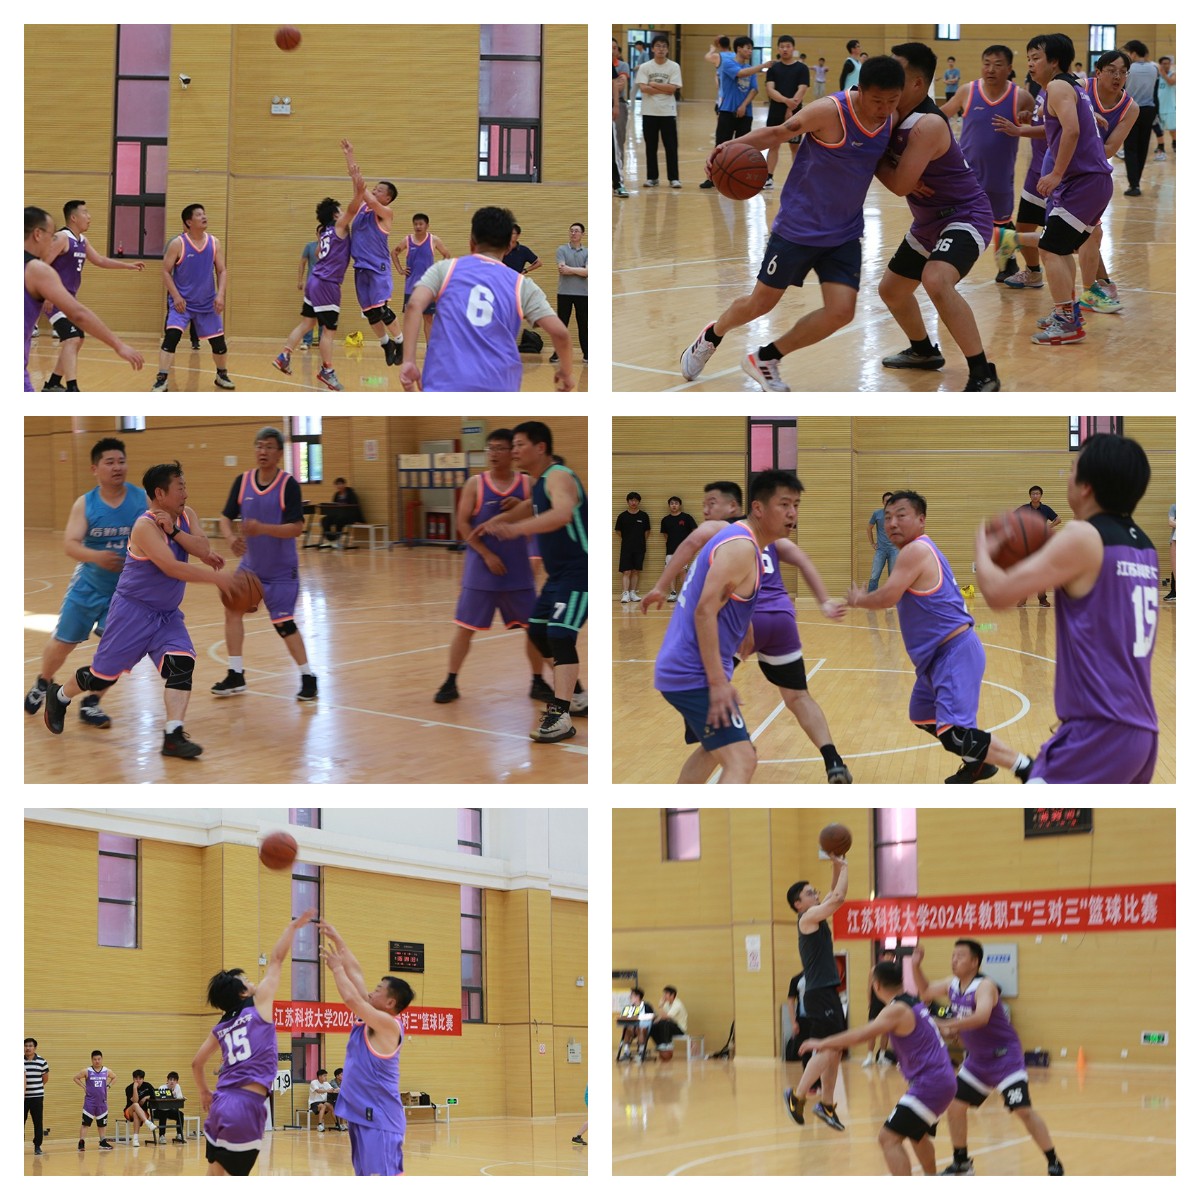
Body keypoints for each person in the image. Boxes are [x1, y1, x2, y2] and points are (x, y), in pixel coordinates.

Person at [681, 56, 905, 391]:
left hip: (844, 232)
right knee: (760, 303)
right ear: (859, 90)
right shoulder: (829, 111)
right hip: (798, 227)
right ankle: (712, 335)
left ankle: (766, 358)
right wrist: (729, 146)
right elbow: (778, 133)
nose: (884, 109)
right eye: (877, 101)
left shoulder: (891, 118)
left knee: (841, 312)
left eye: (892, 101)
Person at [974, 433, 1158, 783]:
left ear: (1086, 486)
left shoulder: (1083, 536)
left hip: (1099, 732)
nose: (1067, 476)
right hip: (1142, 732)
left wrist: (982, 547)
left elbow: (997, 594)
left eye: (1072, 469)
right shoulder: (1145, 546)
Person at [644, 479, 852, 783]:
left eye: (796, 505)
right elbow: (704, 611)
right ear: (757, 508)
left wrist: (747, 626)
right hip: (694, 672)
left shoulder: (741, 540)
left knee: (715, 750)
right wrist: (718, 683)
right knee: (743, 758)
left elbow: (721, 596)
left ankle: (679, 806)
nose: (792, 513)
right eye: (784, 505)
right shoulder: (739, 545)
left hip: (685, 667)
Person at [43, 461, 239, 758]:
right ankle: (59, 696)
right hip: (131, 613)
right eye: (180, 487)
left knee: (181, 665)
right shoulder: (144, 526)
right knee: (101, 677)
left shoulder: (187, 515)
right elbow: (172, 568)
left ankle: (173, 735)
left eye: (185, 486)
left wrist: (177, 532)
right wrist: (218, 579)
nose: (185, 493)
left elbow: (201, 546)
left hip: (166, 615)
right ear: (160, 493)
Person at [845, 491, 1032, 783]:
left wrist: (859, 600)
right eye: (888, 517)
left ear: (921, 520)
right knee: (923, 716)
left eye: (901, 516)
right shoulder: (920, 549)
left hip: (953, 653)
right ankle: (978, 764)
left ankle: (1027, 767)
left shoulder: (915, 551)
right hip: (936, 660)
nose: (892, 523)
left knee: (955, 733)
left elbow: (888, 596)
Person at [875, 42, 1002, 392]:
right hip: (929, 221)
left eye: (897, 73)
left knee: (936, 279)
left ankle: (983, 372)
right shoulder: (891, 115)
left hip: (965, 215)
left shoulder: (927, 124)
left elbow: (900, 185)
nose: (888, 78)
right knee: (892, 291)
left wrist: (874, 160)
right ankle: (923, 352)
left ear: (917, 83)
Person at [995, 34, 1114, 347]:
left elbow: (1072, 130)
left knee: (1049, 249)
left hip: (1084, 182)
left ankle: (1067, 322)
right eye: (1029, 58)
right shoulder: (1069, 85)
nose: (1030, 64)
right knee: (1058, 249)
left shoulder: (1058, 87)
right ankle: (1067, 312)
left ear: (1054, 61)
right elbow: (1064, 127)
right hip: (1089, 183)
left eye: (1036, 58)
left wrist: (1057, 173)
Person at [910, 940, 1063, 1175]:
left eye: (960, 956)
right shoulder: (952, 984)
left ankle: (1053, 1160)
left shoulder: (985, 986)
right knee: (955, 1106)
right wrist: (915, 966)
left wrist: (947, 1024)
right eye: (953, 956)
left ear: (974, 962)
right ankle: (961, 1162)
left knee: (1023, 1110)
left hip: (1005, 1059)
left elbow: (981, 1017)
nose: (954, 960)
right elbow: (926, 991)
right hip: (978, 1062)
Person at [476, 422, 588, 743]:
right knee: (538, 631)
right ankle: (576, 696)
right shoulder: (540, 483)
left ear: (540, 448)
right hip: (559, 576)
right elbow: (528, 508)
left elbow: (563, 513)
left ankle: (560, 715)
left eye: (519, 445)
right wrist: (494, 523)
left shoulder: (559, 476)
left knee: (560, 635)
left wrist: (516, 530)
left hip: (581, 571)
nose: (513, 451)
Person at [24, 438, 147, 728]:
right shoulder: (86, 503)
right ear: (95, 468)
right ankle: (43, 682)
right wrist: (97, 556)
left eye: (121, 461)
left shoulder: (142, 499)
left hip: (124, 593)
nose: (117, 467)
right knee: (63, 642)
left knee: (117, 650)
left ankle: (92, 703)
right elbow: (70, 544)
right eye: (109, 462)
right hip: (88, 587)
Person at [800, 960, 957, 1176]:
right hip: (941, 1080)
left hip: (931, 1083)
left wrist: (822, 1042)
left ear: (876, 986)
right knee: (917, 1133)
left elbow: (861, 1035)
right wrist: (946, 1029)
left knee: (887, 1138)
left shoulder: (895, 1010)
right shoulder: (912, 1001)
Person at [191, 909, 315, 1175]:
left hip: (220, 1104)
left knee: (214, 1175)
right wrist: (292, 928)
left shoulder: (221, 1026)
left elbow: (196, 1063)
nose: (252, 981)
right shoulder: (259, 1004)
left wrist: (203, 1092)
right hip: (246, 1107)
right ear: (242, 992)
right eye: (246, 980)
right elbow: (277, 959)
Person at [433, 428, 551, 705]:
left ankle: (538, 680)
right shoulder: (475, 484)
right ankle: (450, 681)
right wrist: (486, 554)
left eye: (500, 448)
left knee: (534, 628)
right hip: (481, 571)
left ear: (513, 452)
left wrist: (522, 505)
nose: (494, 454)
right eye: (490, 449)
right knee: (464, 627)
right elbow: (463, 525)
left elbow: (543, 514)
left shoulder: (527, 484)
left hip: (517, 571)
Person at [400, 207, 575, 392]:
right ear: (509, 247)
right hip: (500, 384)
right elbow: (560, 333)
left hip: (443, 381)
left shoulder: (445, 269)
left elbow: (414, 305)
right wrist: (566, 372)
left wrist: (409, 361)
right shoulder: (522, 285)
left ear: (471, 242)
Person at [212, 427, 317, 702]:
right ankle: (236, 674)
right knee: (232, 610)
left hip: (281, 571)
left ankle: (308, 677)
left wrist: (263, 528)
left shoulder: (288, 485)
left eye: (269, 446)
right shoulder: (243, 481)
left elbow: (296, 528)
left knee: (283, 624)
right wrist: (231, 538)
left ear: (279, 453)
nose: (263, 451)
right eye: (259, 446)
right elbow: (225, 518)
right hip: (251, 569)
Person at [318, 920, 415, 1176]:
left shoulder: (389, 1026)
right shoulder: (371, 1014)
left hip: (381, 1118)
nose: (371, 992)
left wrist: (336, 968)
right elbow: (357, 972)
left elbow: (352, 998)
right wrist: (338, 939)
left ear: (390, 1002)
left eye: (378, 990)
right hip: (362, 1115)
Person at [941, 46, 1035, 283]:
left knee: (1001, 223)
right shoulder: (968, 91)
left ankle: (1007, 265)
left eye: (998, 64)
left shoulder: (1021, 97)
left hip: (1000, 174)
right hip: (966, 173)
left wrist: (1028, 118)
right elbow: (942, 115)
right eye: (987, 63)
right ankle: (946, 264)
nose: (991, 69)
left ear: (1009, 68)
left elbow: (1040, 124)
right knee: (956, 217)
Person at [24, 206, 143, 391]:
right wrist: (118, 345)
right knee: (73, 338)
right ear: (38, 234)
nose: (89, 216)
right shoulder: (59, 243)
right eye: (51, 235)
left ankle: (54, 382)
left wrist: (127, 266)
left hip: (65, 298)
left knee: (76, 338)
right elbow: (79, 313)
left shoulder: (82, 241)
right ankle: (72, 387)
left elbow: (100, 260)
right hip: (58, 300)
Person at [783, 855, 849, 1131]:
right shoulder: (807, 918)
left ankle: (827, 1104)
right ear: (798, 904)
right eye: (810, 893)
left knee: (835, 1048)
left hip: (826, 992)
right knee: (829, 1048)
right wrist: (845, 868)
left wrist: (837, 865)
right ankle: (797, 1096)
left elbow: (832, 893)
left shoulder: (815, 915)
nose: (816, 895)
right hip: (819, 993)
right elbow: (838, 898)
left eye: (814, 891)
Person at [273, 185, 362, 392]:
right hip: (327, 284)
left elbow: (319, 251)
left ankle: (284, 355)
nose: (343, 213)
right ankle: (327, 371)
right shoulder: (339, 227)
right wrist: (359, 192)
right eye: (340, 210)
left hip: (314, 281)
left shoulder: (325, 233)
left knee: (307, 323)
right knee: (328, 332)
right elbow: (353, 209)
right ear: (335, 215)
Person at [1077, 52, 1139, 313]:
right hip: (1062, 168)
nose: (1117, 76)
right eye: (1112, 70)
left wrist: (1078, 148)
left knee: (1088, 234)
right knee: (1083, 235)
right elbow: (1053, 105)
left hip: (1091, 173)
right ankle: (1094, 290)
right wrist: (1087, 114)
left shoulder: (1130, 107)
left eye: (1123, 72)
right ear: (1098, 71)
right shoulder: (1080, 88)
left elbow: (1110, 148)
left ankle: (1099, 286)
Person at [151, 204, 235, 391]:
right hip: (182, 304)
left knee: (219, 343)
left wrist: (220, 295)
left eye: (204, 214)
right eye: (199, 215)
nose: (204, 217)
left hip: (207, 303)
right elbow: (165, 271)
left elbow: (222, 270)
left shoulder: (214, 242)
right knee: (171, 337)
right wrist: (176, 297)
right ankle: (162, 378)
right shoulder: (178, 243)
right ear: (189, 222)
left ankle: (221, 374)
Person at [340, 139, 403, 366]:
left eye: (379, 190)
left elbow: (362, 189)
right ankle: (386, 343)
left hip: (378, 266)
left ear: (387, 198)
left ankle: (401, 342)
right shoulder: (362, 207)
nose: (374, 190)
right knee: (370, 313)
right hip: (360, 267)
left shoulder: (386, 212)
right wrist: (350, 155)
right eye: (374, 188)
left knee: (382, 309)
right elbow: (357, 185)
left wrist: (360, 182)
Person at [699, 36, 761, 189]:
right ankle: (712, 177)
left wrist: (743, 106)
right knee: (720, 146)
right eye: (747, 48)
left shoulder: (750, 69)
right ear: (738, 48)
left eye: (751, 48)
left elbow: (754, 89)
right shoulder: (728, 64)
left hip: (746, 113)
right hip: (727, 110)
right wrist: (763, 66)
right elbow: (740, 74)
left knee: (743, 148)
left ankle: (739, 178)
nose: (750, 51)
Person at [392, 212, 450, 349]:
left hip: (428, 288)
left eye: (421, 224)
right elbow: (394, 253)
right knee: (411, 319)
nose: (418, 226)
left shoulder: (433, 240)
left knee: (428, 318)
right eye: (416, 224)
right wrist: (400, 270)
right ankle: (408, 348)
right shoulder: (407, 240)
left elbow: (447, 254)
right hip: (410, 288)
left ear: (427, 225)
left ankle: (430, 348)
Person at [636, 35, 683, 187]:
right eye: (658, 46)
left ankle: (674, 178)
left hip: (668, 112)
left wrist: (653, 84)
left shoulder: (674, 66)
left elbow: (672, 89)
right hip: (649, 112)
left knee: (671, 146)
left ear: (667, 49)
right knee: (651, 146)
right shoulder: (645, 67)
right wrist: (664, 88)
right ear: (652, 49)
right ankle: (652, 177)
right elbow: (643, 88)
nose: (661, 49)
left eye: (664, 46)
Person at [763, 35, 809, 189]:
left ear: (793, 48)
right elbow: (770, 89)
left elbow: (802, 89)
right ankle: (769, 177)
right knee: (773, 145)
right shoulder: (773, 68)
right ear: (778, 49)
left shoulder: (802, 68)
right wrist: (785, 101)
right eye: (782, 46)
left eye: (788, 46)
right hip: (775, 112)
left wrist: (790, 108)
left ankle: (798, 178)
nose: (785, 49)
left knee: (795, 146)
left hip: (795, 114)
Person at [1120, 41, 1159, 195]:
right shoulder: (1154, 68)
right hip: (1149, 110)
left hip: (1131, 109)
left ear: (1133, 53)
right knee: (1143, 147)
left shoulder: (1128, 68)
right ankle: (1136, 182)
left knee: (1130, 148)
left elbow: (1122, 89)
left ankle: (1133, 184)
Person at [1014, 486, 1062, 606]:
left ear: (1041, 495)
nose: (1035, 496)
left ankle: (1042, 599)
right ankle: (1023, 598)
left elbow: (1058, 519)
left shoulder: (1045, 509)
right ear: (1030, 495)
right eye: (1033, 494)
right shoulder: (1024, 508)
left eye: (1037, 494)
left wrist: (1048, 527)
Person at [553, 223, 587, 363]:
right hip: (564, 293)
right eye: (571, 231)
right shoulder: (561, 249)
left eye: (577, 231)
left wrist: (571, 269)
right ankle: (557, 353)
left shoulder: (588, 252)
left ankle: (587, 353)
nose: (573, 233)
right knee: (561, 324)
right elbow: (562, 269)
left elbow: (587, 272)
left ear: (582, 234)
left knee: (584, 324)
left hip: (583, 294)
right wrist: (580, 270)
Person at [74, 1049, 115, 1151]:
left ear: (102, 1059)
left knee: (102, 1124)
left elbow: (114, 1077)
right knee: (85, 1124)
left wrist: (108, 1086)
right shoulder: (87, 1071)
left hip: (102, 1102)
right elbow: (76, 1078)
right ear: (92, 1060)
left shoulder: (106, 1071)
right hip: (90, 1103)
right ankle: (81, 1142)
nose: (97, 1061)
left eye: (99, 1059)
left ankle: (102, 1142)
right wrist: (84, 1087)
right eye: (95, 1059)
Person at [862, 948, 897, 1065]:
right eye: (888, 955)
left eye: (892, 956)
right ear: (883, 957)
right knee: (872, 1030)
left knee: (886, 1032)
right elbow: (869, 988)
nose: (890, 957)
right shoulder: (874, 970)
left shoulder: (894, 971)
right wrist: (870, 1002)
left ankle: (882, 1056)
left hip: (887, 1004)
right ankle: (869, 1057)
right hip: (875, 1004)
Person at [659, 496, 698, 600]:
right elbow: (665, 535)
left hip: (684, 550)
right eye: (672, 503)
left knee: (682, 570)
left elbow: (695, 531)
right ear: (669, 505)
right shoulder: (665, 520)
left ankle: (685, 593)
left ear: (679, 505)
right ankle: (673, 593)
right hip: (670, 549)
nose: (674, 505)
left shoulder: (687, 517)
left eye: (676, 503)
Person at [615, 492, 651, 602]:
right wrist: (628, 540)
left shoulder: (644, 516)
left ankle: (633, 593)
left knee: (636, 571)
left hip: (639, 547)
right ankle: (625, 594)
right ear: (628, 501)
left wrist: (639, 541)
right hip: (626, 547)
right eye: (631, 500)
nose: (633, 502)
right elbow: (618, 531)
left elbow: (647, 531)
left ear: (638, 502)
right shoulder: (622, 516)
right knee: (626, 571)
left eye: (635, 500)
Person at [319, 477, 364, 548]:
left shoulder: (351, 494)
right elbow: (333, 506)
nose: (339, 486)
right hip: (337, 515)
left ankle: (337, 540)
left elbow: (354, 507)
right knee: (324, 520)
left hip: (349, 516)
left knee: (339, 520)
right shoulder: (336, 494)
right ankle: (330, 540)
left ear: (344, 484)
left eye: (340, 484)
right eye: (337, 484)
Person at [867, 492, 898, 591]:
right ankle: (871, 598)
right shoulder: (877, 514)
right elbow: (869, 528)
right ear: (883, 502)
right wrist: (872, 543)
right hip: (880, 550)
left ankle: (892, 598)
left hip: (894, 550)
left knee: (893, 578)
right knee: (874, 576)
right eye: (886, 501)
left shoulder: (898, 515)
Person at [24, 1038, 50, 1157]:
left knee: (38, 1122)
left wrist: (36, 1088)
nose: (27, 1048)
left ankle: (37, 1146)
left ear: (35, 1048)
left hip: (37, 1097)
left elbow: (45, 1078)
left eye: (30, 1046)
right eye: (26, 1046)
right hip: (22, 1098)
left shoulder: (42, 1061)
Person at [649, 986, 689, 1059]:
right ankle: (660, 1044)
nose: (664, 996)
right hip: (669, 1027)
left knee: (665, 1022)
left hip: (680, 1029)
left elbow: (666, 1017)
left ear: (672, 995)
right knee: (652, 1026)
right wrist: (654, 1022)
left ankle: (666, 1044)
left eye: (666, 994)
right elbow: (662, 1016)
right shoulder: (667, 1004)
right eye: (664, 994)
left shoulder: (677, 1004)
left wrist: (660, 1006)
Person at [615, 987, 654, 1062]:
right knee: (627, 1029)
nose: (630, 997)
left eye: (631, 995)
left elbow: (651, 1017)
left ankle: (641, 1052)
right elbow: (624, 1016)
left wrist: (640, 1018)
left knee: (641, 1028)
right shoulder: (629, 1007)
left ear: (637, 996)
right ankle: (626, 1052)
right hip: (633, 1029)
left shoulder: (646, 1006)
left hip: (644, 1029)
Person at [123, 1069, 157, 1146]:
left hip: (142, 1112)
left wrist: (146, 1097)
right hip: (129, 1111)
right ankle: (148, 1122)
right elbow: (135, 1101)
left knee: (136, 1114)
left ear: (143, 1079)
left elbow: (155, 1095)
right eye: (136, 1078)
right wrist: (135, 1088)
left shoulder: (148, 1086)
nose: (138, 1080)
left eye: (140, 1078)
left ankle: (135, 1140)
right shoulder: (129, 1088)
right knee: (135, 1105)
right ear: (133, 1079)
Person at [154, 1071, 189, 1144]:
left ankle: (179, 1134)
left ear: (177, 1082)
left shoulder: (177, 1087)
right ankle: (162, 1136)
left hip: (169, 1110)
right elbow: (160, 1102)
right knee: (163, 1114)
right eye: (170, 1079)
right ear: (167, 1080)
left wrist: (177, 1096)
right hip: (159, 1110)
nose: (172, 1081)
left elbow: (179, 1098)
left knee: (180, 1114)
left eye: (174, 1080)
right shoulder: (162, 1088)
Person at [1155, 57, 1175, 154]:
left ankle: (1175, 144)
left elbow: (1171, 82)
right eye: (1164, 63)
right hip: (1158, 107)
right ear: (1160, 64)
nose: (1166, 65)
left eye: (1168, 63)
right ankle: (1160, 146)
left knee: (1173, 129)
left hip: (1170, 107)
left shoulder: (1173, 74)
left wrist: (1163, 74)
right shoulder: (1156, 76)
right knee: (1158, 129)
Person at [1166, 504, 1176, 601]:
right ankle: (1174, 591)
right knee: (1175, 566)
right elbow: (1171, 522)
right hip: (1175, 540)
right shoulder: (1174, 506)